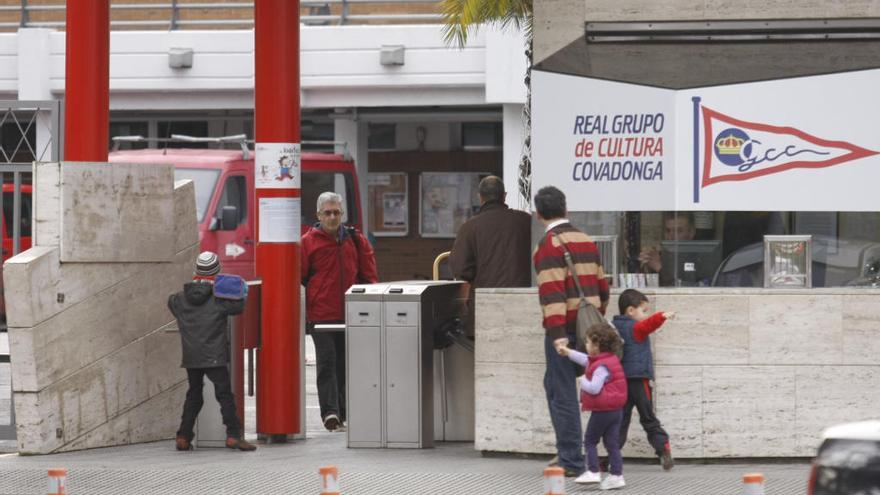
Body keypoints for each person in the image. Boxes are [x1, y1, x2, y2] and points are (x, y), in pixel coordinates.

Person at [533, 185, 610, 477]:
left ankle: (572, 460)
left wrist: (557, 336)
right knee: (553, 387)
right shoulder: (586, 240)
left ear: (539, 214)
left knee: (562, 392)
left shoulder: (548, 245)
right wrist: (594, 322)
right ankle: (567, 451)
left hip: (564, 328)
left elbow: (551, 294)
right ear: (566, 209)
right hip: (588, 328)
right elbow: (603, 288)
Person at [302, 191, 378, 432]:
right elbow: (301, 276)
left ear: (342, 214)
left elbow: (368, 275)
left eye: (336, 212)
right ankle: (331, 413)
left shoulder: (356, 240)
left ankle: (343, 413)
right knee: (327, 362)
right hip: (321, 314)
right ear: (319, 215)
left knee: (345, 365)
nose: (333, 217)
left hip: (351, 313)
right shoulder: (308, 242)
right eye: (328, 213)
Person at [169, 251, 256, 452]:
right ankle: (233, 436)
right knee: (224, 395)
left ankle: (183, 436)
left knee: (194, 395)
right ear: (216, 273)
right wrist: (240, 290)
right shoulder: (219, 298)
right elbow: (238, 307)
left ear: (195, 271)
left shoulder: (180, 299)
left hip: (191, 357)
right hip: (214, 356)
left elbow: (171, 302)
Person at [556, 323, 628, 490]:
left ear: (596, 346)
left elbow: (594, 388)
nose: (585, 345)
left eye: (587, 342)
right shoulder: (608, 359)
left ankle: (593, 471)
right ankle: (617, 475)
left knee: (589, 440)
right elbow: (584, 359)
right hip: (616, 410)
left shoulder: (601, 367)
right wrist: (567, 352)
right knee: (612, 443)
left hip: (603, 411)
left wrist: (582, 380)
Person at [612, 289, 675, 470]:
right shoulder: (634, 328)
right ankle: (663, 449)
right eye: (643, 310)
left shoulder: (614, 328)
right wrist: (661, 316)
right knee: (648, 418)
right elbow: (647, 326)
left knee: (621, 420)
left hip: (621, 382)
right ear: (630, 311)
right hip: (640, 382)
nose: (645, 315)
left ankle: (613, 454)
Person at [449, 175, 532, 288]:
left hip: (484, 296)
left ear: (480, 197)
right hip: (523, 295)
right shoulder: (526, 220)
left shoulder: (469, 227)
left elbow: (460, 269)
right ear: (504, 196)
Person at [638, 211, 696, 286]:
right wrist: (645, 266)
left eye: (678, 231)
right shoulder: (661, 256)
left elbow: (684, 289)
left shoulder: (700, 258)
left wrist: (658, 267)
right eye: (668, 231)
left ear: (691, 233)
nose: (671, 236)